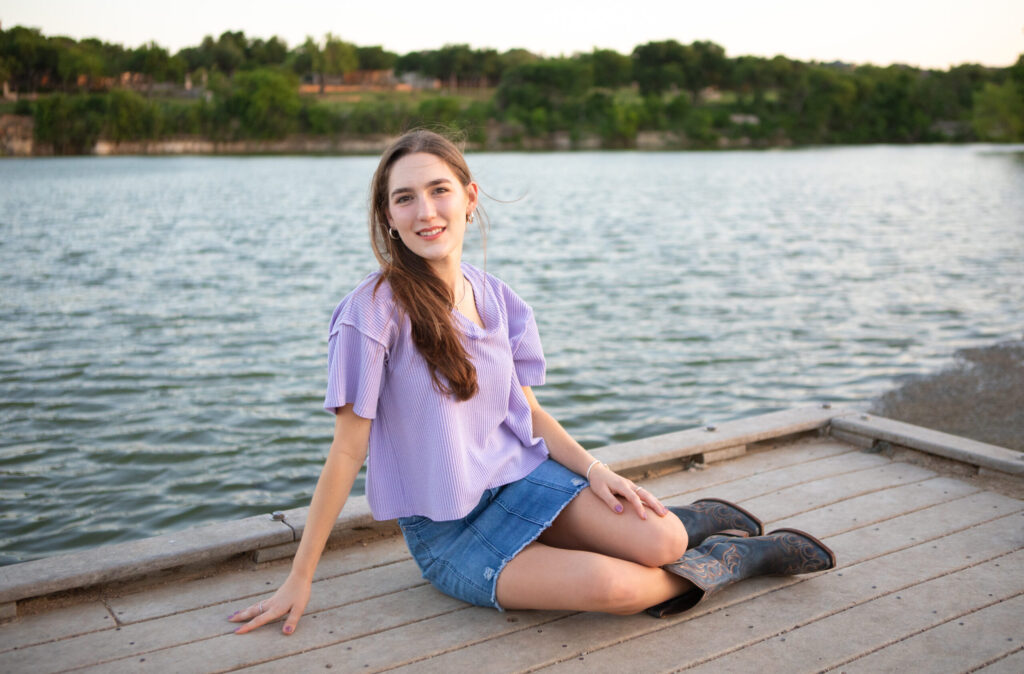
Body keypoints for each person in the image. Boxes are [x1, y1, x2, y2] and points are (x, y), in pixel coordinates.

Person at [229, 130, 834, 635]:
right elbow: (346, 451)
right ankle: (734, 559)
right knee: (620, 589)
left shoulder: (495, 297)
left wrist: (597, 471)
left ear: (469, 198)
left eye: (439, 190)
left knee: (664, 541)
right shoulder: (370, 313)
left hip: (524, 479)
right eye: (404, 198)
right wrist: (299, 577)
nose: (425, 212)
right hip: (452, 532)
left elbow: (528, 412)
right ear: (389, 217)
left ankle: (692, 521)